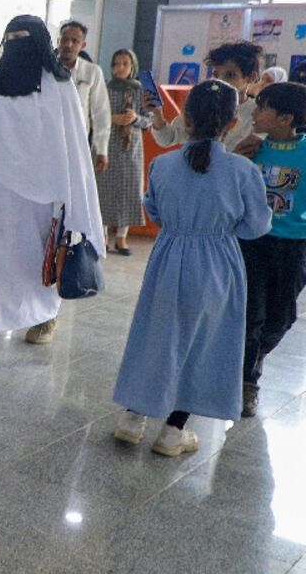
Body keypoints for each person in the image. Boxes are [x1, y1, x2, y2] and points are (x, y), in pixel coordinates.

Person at [111, 80, 270, 455]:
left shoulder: (163, 164)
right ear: (232, 123)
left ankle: (132, 418)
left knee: (156, 336)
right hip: (218, 263)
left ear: (185, 118)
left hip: (168, 258)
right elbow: (256, 225)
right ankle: (173, 431)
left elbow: (155, 210)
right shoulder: (241, 170)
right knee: (203, 343)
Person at [0, 15, 106, 356]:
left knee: (38, 256)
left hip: (43, 191)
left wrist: (68, 191)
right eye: (11, 39)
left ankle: (45, 318)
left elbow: (71, 144)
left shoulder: (59, 84)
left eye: (23, 38)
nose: (16, 45)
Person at [239, 81, 306, 417]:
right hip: (253, 242)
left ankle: (257, 352)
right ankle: (247, 381)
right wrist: (236, 155)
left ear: (285, 118)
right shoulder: (251, 148)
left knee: (282, 316)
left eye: (262, 107)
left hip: (294, 246)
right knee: (252, 313)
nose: (255, 112)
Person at [151, 40, 265, 157]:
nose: (220, 80)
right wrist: (157, 113)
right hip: (197, 172)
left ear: (251, 77)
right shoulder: (201, 105)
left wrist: (232, 161)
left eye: (230, 75)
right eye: (216, 74)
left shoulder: (258, 113)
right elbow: (167, 139)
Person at [96, 49, 153, 255]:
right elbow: (94, 114)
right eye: (116, 64)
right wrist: (113, 118)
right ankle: (102, 235)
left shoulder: (141, 90)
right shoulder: (103, 87)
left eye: (125, 64)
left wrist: (135, 118)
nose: (120, 68)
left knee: (129, 191)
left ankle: (122, 237)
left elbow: (150, 119)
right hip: (106, 144)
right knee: (104, 189)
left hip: (131, 148)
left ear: (133, 66)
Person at [55, 21, 112, 175]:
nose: (68, 44)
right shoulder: (46, 70)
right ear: (58, 41)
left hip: (78, 143)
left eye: (75, 41)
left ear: (83, 45)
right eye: (65, 39)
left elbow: (101, 113)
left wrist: (102, 150)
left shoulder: (92, 72)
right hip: (48, 142)